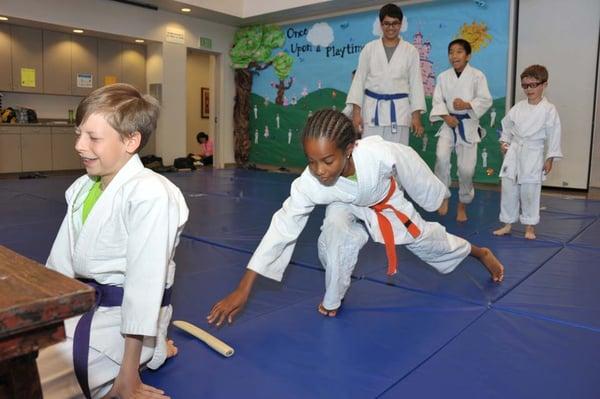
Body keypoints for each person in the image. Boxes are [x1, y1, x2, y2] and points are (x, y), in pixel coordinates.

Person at [207, 109, 503, 325]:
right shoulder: (310, 183)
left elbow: (409, 162)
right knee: (334, 234)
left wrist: (436, 196)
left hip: (384, 202)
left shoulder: (375, 153)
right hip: (343, 203)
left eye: (327, 160)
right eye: (311, 162)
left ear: (349, 149)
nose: (319, 170)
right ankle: (333, 297)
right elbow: (282, 227)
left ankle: (478, 252)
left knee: (428, 242)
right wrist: (243, 287)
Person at [38, 83, 189, 398]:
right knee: (14, 355)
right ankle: (156, 348)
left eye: (93, 138)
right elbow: (59, 265)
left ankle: (148, 350)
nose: (80, 145)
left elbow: (143, 290)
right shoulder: (83, 187)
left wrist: (128, 377)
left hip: (121, 325)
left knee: (30, 382)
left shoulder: (152, 194)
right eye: (78, 133)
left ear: (131, 140)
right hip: (78, 311)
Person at [493, 65, 562, 240]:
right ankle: (507, 223)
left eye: (533, 85)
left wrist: (550, 158)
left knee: (530, 189)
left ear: (544, 84)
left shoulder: (549, 110)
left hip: (534, 151)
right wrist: (504, 142)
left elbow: (554, 134)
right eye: (525, 86)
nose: (529, 89)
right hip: (515, 150)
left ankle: (529, 226)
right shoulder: (518, 107)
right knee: (508, 187)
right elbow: (506, 127)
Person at [430, 39, 492, 222]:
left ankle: (463, 202)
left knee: (466, 170)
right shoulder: (443, 77)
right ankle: (444, 195)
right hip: (448, 123)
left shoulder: (477, 76)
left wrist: (467, 104)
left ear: (468, 56)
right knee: (441, 157)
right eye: (451, 52)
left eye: (459, 52)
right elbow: (437, 100)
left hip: (468, 125)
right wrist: (445, 117)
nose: (454, 55)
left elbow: (486, 99)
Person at [346, 3, 426, 145]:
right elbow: (359, 81)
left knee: (396, 155)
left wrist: (416, 117)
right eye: (387, 24)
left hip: (399, 111)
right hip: (372, 111)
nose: (391, 27)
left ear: (400, 24)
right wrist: (356, 114)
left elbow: (415, 84)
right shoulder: (369, 49)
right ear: (381, 25)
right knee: (371, 152)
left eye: (395, 23)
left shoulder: (410, 51)